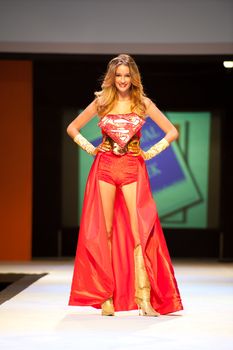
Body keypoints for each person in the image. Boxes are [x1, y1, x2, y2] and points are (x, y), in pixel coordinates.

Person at [67, 54, 183, 317]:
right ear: (112, 78)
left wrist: (150, 152)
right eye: (118, 75)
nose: (122, 80)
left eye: (126, 75)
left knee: (139, 230)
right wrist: (91, 148)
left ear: (133, 78)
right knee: (104, 232)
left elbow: (171, 131)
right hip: (105, 167)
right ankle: (106, 298)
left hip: (132, 167)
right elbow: (72, 128)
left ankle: (143, 298)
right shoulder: (102, 102)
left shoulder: (142, 103)